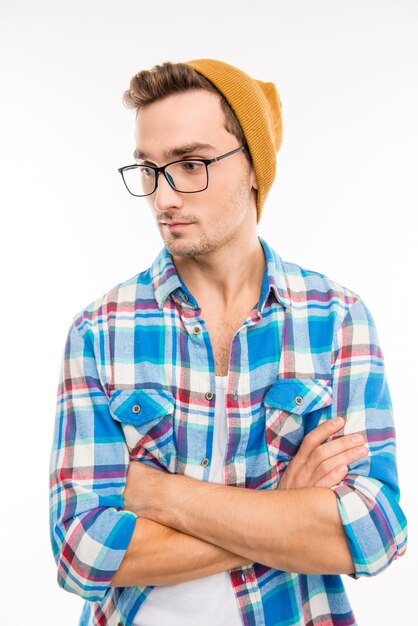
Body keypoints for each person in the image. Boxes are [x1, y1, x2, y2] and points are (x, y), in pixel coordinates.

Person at [49, 59, 408, 626]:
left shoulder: (336, 319)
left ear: (254, 169)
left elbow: (374, 534)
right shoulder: (100, 330)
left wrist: (161, 496)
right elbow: (81, 554)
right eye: (150, 167)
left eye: (191, 164)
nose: (164, 197)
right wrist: (288, 510)